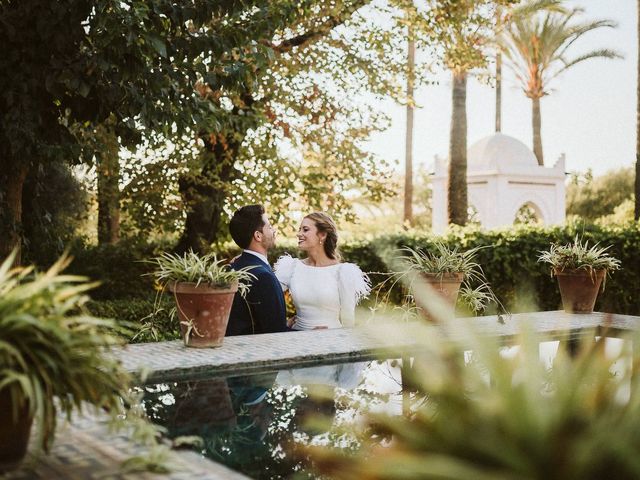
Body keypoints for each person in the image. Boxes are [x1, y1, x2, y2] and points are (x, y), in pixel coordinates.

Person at [273, 212, 370, 330]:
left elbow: (348, 321)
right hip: (296, 338)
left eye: (305, 230)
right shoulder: (291, 267)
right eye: (300, 229)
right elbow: (269, 298)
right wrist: (283, 326)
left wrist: (330, 336)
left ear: (322, 235)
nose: (299, 234)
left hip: (331, 342)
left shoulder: (343, 272)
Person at [226, 204, 287, 336]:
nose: (273, 231)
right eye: (270, 227)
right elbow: (277, 333)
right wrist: (310, 333)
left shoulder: (231, 267)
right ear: (258, 236)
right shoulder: (263, 277)